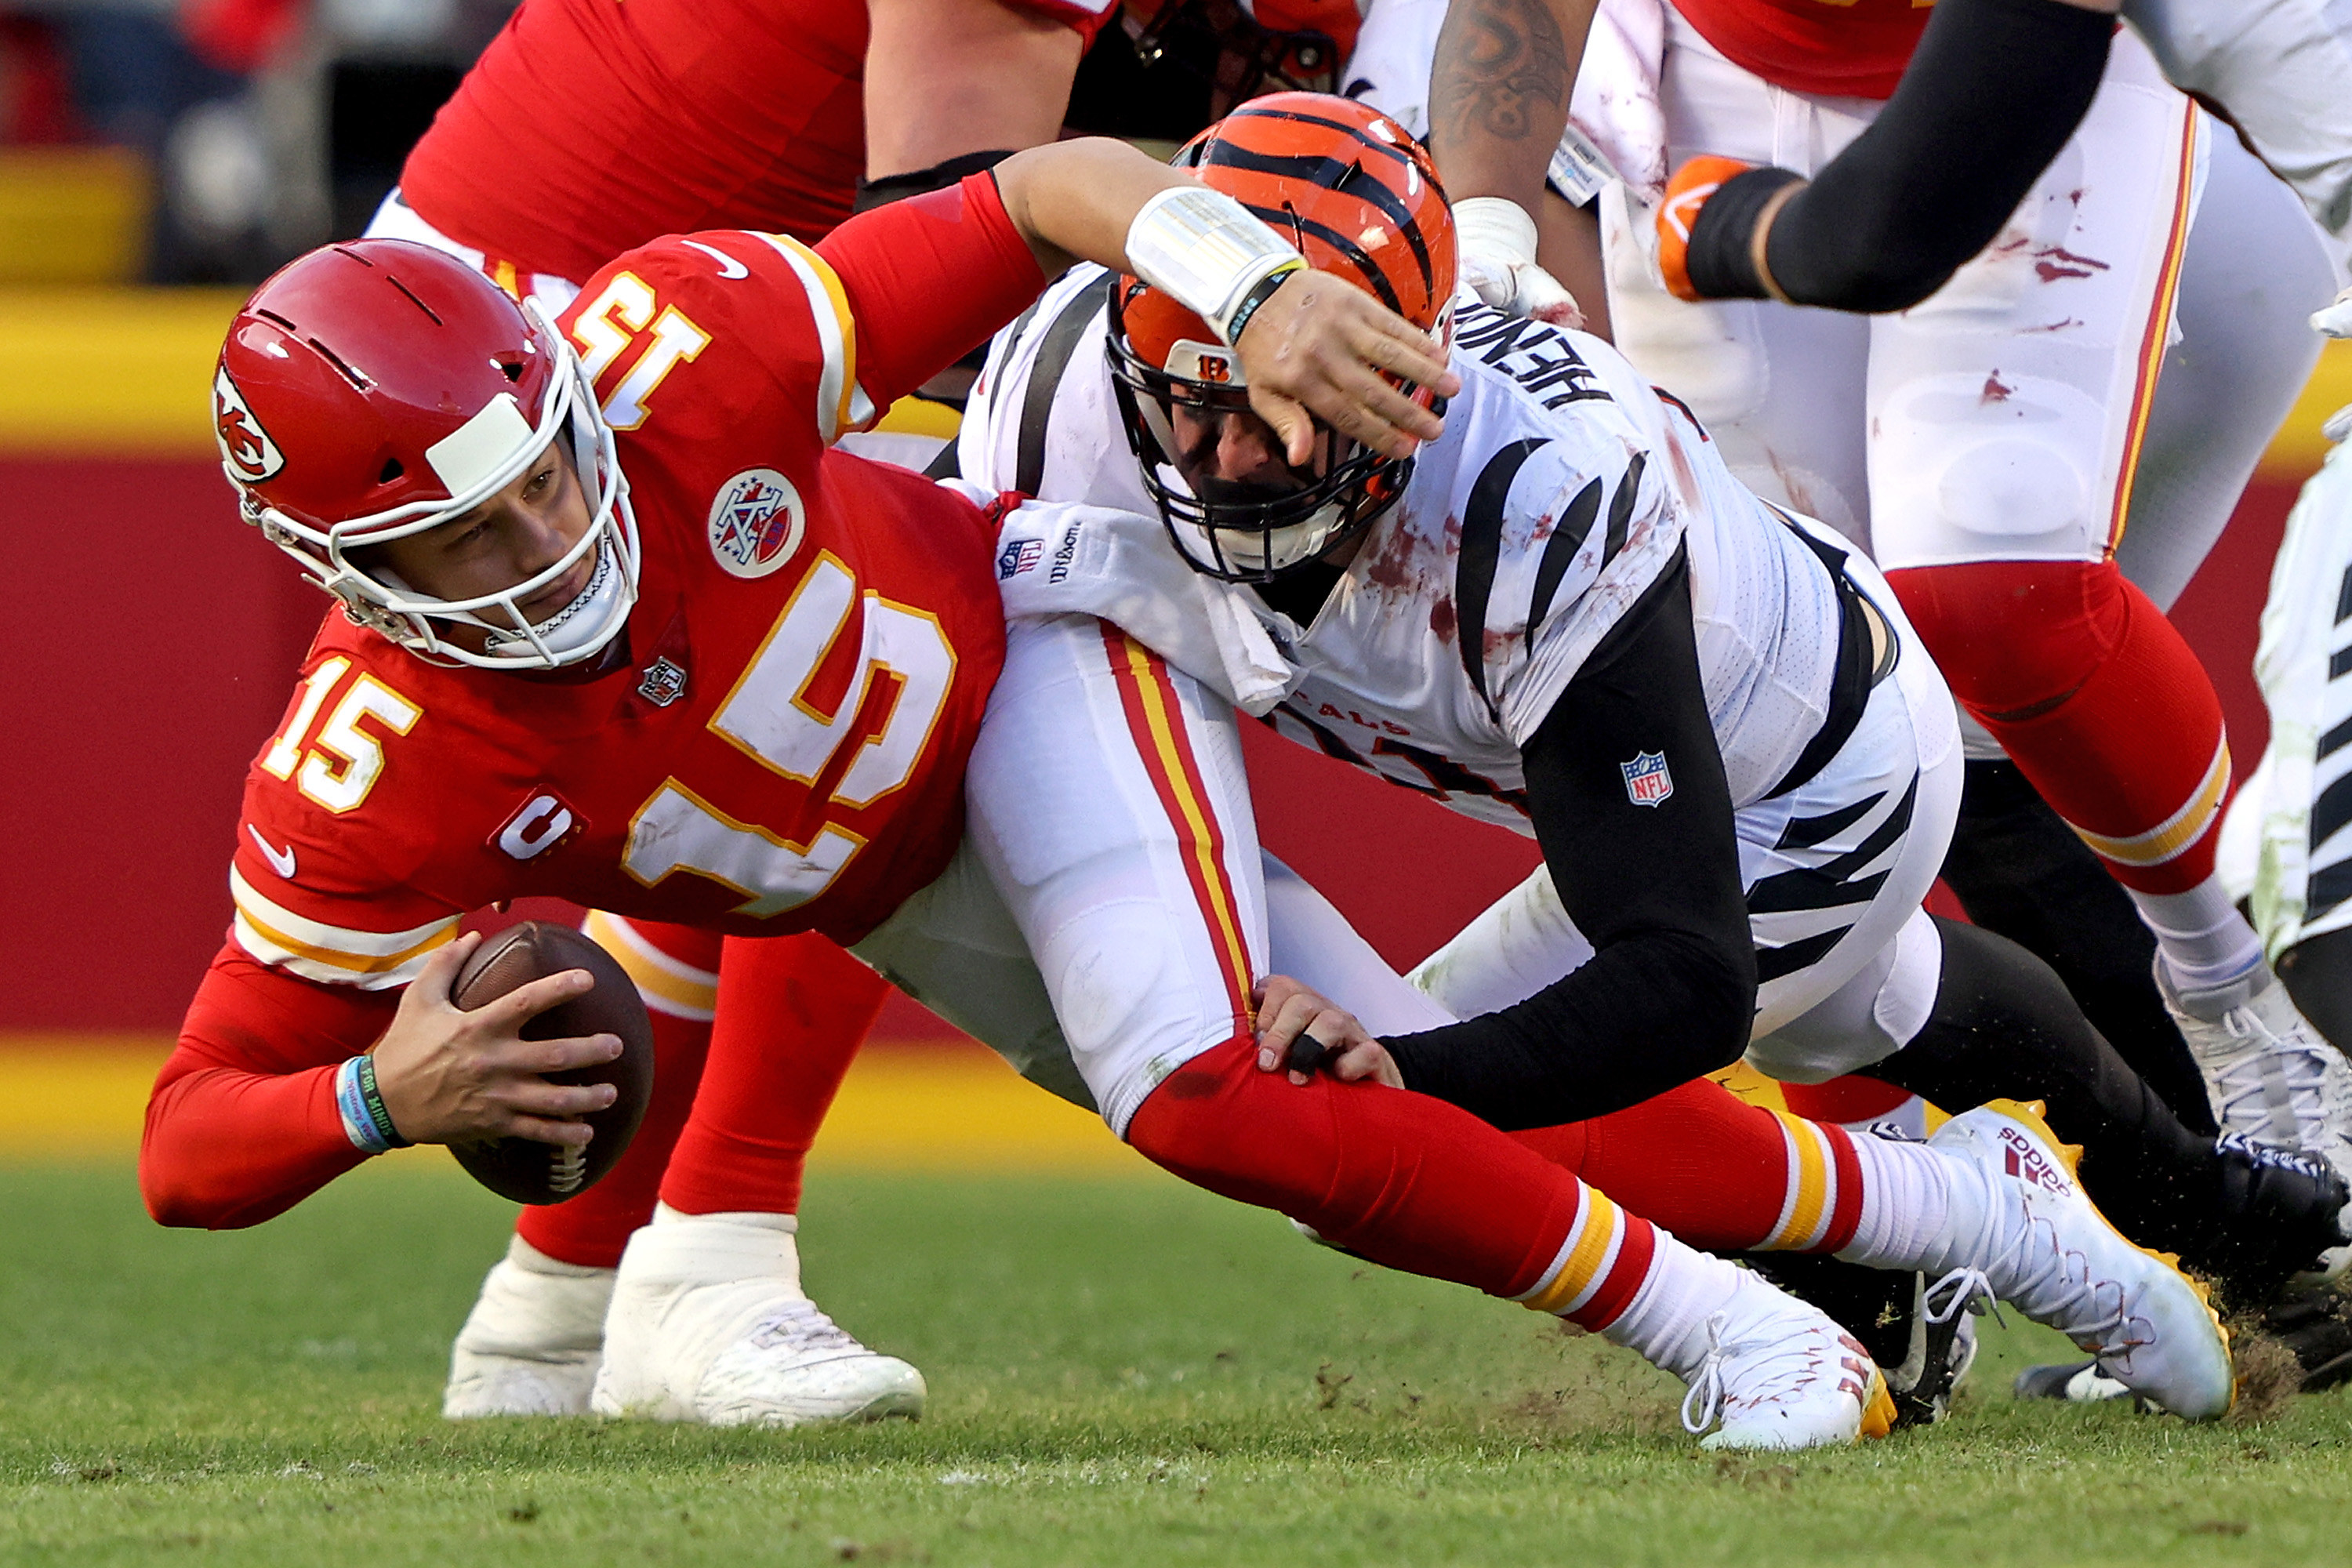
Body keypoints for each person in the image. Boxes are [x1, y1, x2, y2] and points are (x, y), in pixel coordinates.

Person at [956, 94, 2351, 1314]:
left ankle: (1914, 1267)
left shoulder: (1535, 499)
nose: (1232, 459)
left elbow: (1684, 982)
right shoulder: (1060, 398)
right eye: (1189, 405)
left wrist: (1421, 1072)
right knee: (1880, 1007)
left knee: (1390, 1114)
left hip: (1820, 771)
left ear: (1415, 364)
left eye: (1290, 406)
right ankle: (2222, 1217)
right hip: (1682, 702)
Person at [1413, 0, 2352, 1186]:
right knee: (1787, 709)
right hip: (1706, 77)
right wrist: (1492, 227)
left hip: (2038, 108)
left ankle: (2245, 1011)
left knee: (1995, 577)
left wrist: (1721, 229)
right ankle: (1915, 1211)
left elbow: (1882, 234)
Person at [347, 0, 1118, 1424]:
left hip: (603, 279)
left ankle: (557, 1312)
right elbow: (967, 211)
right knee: (867, 679)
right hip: (552, 315)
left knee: (766, 748)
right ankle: (707, 1252)